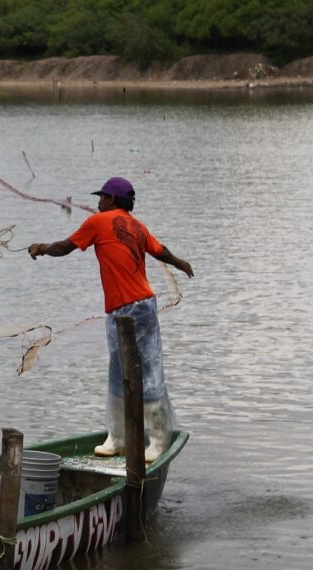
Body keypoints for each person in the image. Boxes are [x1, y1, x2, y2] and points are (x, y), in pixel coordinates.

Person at [27, 177, 193, 462]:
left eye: (102, 197)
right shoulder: (137, 225)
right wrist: (179, 262)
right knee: (121, 371)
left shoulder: (98, 222)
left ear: (112, 200)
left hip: (133, 309)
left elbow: (65, 247)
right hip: (132, 308)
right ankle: (118, 439)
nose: (98, 202)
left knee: (146, 371)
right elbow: (159, 250)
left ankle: (157, 440)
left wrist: (41, 248)